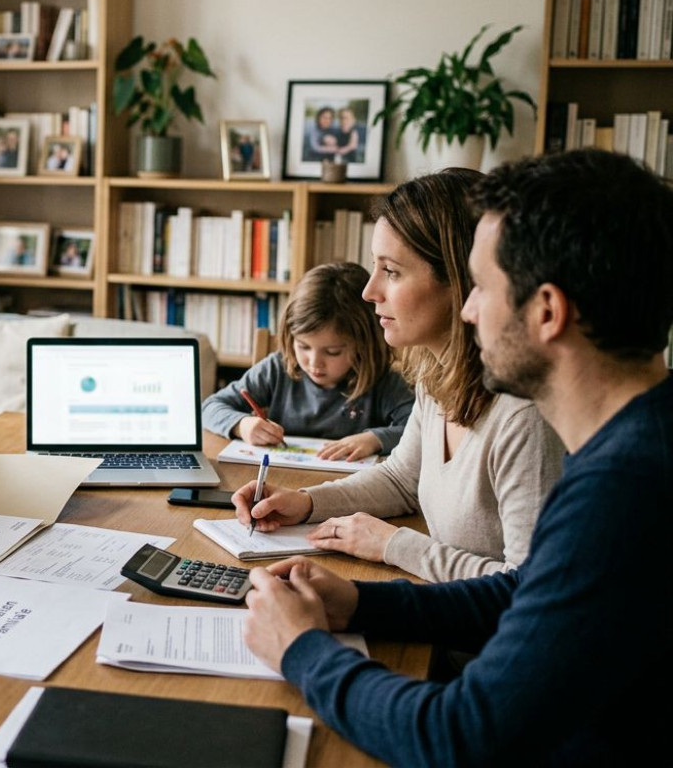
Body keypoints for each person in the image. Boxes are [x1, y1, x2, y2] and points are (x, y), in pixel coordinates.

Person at [241, 148, 673, 765]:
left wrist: (300, 649)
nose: (468, 310)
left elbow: (458, 736)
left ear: (547, 312)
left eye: (483, 288)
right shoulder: (636, 442)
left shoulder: (622, 490)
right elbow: (524, 591)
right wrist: (362, 602)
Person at [231, 169, 564, 583]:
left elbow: (529, 586)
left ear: (460, 281)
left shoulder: (524, 418)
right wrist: (305, 502)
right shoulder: (436, 377)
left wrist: (395, 545)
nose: (369, 291)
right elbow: (401, 479)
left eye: (391, 271)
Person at [202, 262, 414, 461]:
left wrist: (375, 440)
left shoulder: (384, 381)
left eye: (332, 352)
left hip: (350, 483)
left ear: (364, 345)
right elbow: (210, 407)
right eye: (303, 346)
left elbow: (420, 431)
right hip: (279, 478)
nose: (314, 363)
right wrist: (242, 425)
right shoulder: (277, 369)